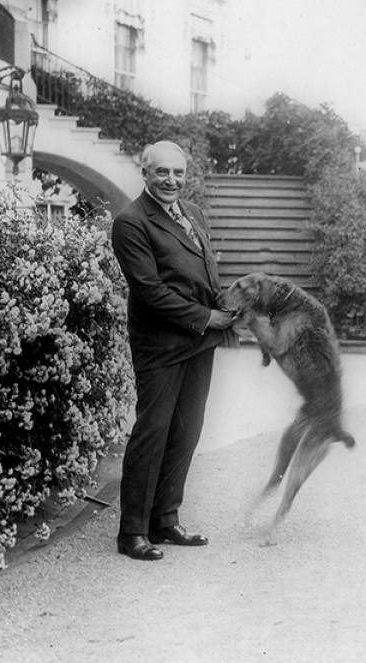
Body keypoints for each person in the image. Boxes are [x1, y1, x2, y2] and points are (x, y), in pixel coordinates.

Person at [109, 140, 238, 561]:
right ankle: (132, 533)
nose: (171, 180)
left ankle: (165, 520)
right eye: (161, 172)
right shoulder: (131, 222)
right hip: (160, 344)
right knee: (154, 431)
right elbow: (149, 292)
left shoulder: (193, 214)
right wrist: (206, 318)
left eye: (178, 173)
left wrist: (225, 307)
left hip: (200, 341)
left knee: (186, 432)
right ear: (145, 174)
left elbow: (204, 272)